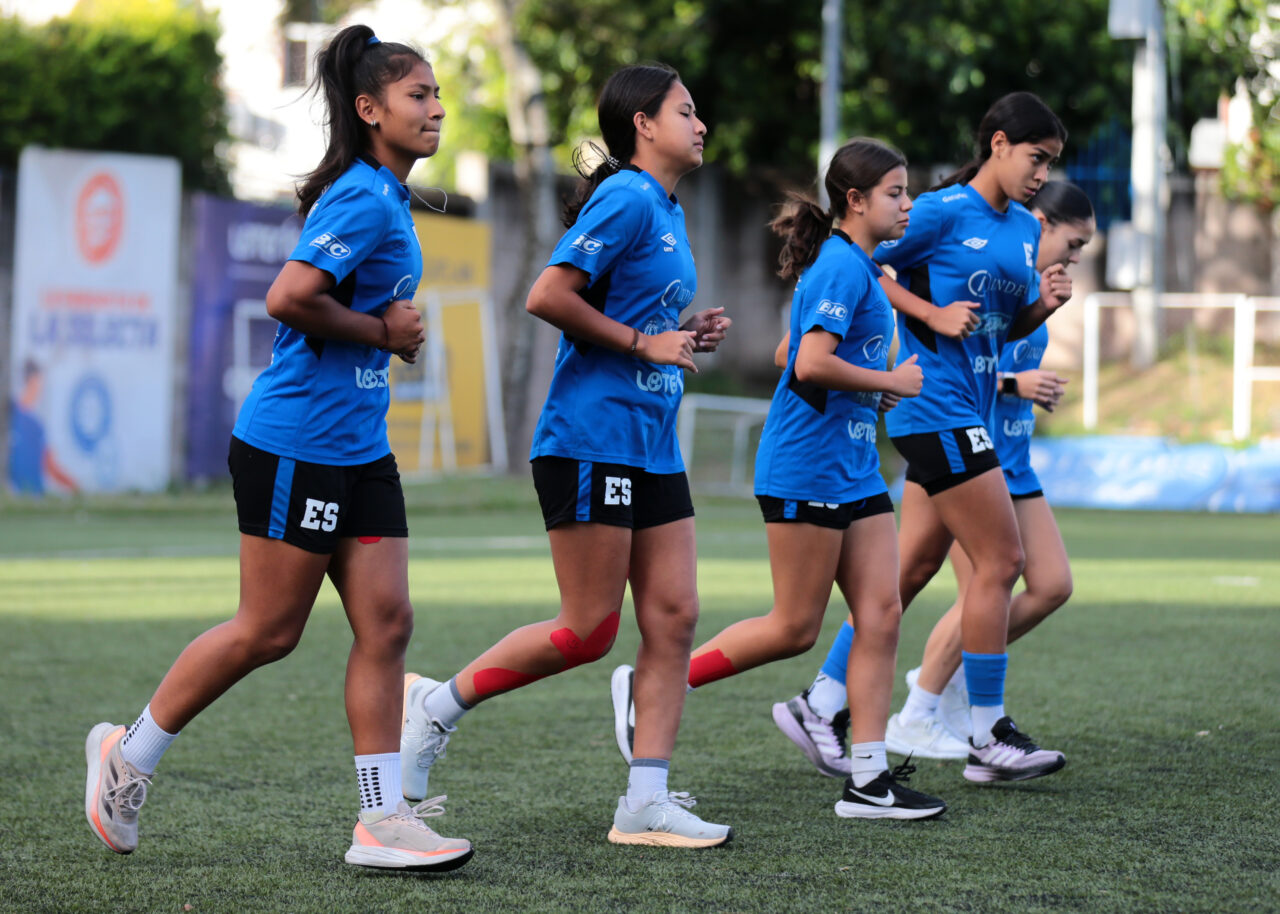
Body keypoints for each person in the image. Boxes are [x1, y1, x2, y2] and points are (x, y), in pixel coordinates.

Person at [84, 25, 474, 871]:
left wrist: (385, 338)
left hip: (359, 449)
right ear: (371, 109)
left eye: (437, 93)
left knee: (388, 622)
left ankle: (381, 819)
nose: (437, 108)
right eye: (419, 96)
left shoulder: (386, 196)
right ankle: (129, 751)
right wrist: (382, 328)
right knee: (268, 630)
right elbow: (288, 296)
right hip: (296, 444)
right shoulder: (364, 196)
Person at [400, 63, 734, 848]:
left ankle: (643, 801)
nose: (702, 124)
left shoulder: (668, 210)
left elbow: (635, 316)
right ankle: (435, 707)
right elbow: (547, 294)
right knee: (588, 629)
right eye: (687, 111)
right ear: (643, 125)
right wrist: (643, 341)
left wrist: (681, 334)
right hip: (590, 439)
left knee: (676, 615)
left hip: (649, 443)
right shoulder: (624, 196)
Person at [610, 137, 946, 820]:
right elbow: (808, 366)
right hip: (806, 466)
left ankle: (868, 781)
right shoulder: (843, 268)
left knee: (881, 612)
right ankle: (653, 683)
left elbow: (790, 346)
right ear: (855, 201)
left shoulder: (858, 266)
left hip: (854, 467)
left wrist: (870, 393)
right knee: (795, 627)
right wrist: (889, 380)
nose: (907, 204)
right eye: (895, 193)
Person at [773, 92, 1073, 784]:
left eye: (1050, 163)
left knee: (904, 576)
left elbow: (998, 329)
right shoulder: (936, 211)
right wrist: (928, 313)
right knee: (1003, 560)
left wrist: (1041, 307)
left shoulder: (1026, 228)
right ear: (997, 144)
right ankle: (987, 734)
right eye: (1035, 157)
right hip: (931, 406)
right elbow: (866, 262)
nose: (1040, 173)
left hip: (967, 408)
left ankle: (820, 702)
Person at [884, 181, 1095, 756]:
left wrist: (1041, 314)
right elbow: (955, 357)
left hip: (1010, 460)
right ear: (1039, 223)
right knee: (962, 580)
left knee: (1047, 585)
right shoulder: (974, 251)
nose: (1074, 258)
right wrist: (1013, 383)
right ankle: (917, 708)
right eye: (1072, 243)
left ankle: (951, 688)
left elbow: (986, 354)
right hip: (964, 450)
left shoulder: (1020, 288)